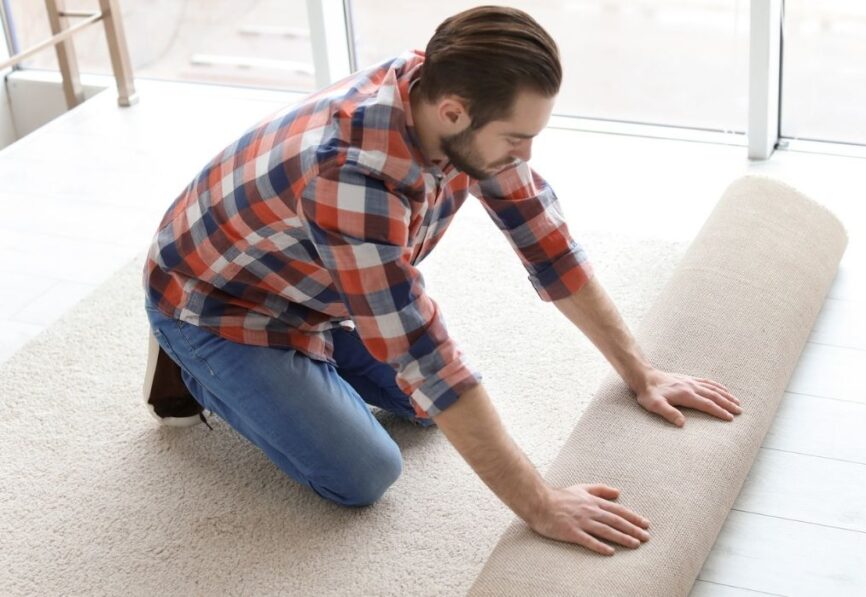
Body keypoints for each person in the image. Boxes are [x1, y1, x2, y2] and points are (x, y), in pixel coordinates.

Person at [142, 5, 742, 557]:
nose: (528, 152)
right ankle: (193, 368)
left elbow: (549, 246)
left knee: (430, 414)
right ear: (453, 111)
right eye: (517, 137)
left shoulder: (449, 101)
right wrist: (541, 504)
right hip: (216, 302)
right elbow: (429, 360)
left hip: (306, 287)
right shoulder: (353, 178)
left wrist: (643, 373)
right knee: (364, 474)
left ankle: (311, 355)